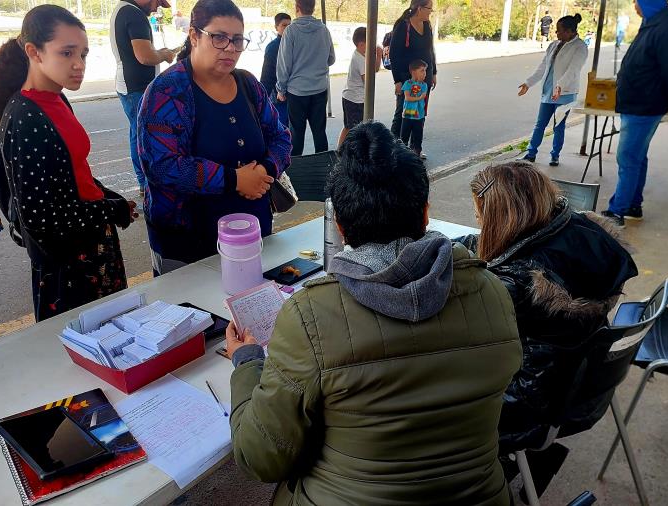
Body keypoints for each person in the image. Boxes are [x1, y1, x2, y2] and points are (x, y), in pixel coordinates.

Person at [226, 122, 521, 505]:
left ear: (342, 229)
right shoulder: (493, 292)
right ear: (426, 212)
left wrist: (247, 362)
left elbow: (260, 458)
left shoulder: (311, 315)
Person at [460, 161, 637, 454]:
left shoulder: (519, 284)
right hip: (570, 387)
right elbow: (496, 245)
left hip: (522, 408)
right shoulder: (578, 232)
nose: (478, 221)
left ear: (501, 219)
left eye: (481, 215)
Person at [0, 5, 136, 321]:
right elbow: (42, 219)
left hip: (94, 243)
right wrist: (109, 210)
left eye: (84, 55)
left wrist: (110, 198)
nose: (79, 65)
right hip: (71, 265)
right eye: (67, 54)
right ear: (34, 52)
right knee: (89, 352)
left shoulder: (56, 98)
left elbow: (75, 174)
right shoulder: (25, 117)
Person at [137, 0, 292, 276]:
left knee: (249, 309)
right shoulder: (166, 92)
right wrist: (234, 180)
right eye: (219, 37)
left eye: (237, 40)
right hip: (188, 242)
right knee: (198, 317)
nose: (230, 48)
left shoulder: (248, 84)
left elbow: (281, 137)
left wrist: (265, 171)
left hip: (253, 232)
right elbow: (162, 166)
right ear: (194, 36)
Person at [601, 0, 668, 227]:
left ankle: (616, 212)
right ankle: (632, 205)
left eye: (636, 1)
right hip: (637, 103)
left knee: (628, 158)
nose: (634, 5)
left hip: (644, 105)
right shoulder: (654, 23)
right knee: (637, 157)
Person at [110, 0, 176, 195]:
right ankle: (146, 183)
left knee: (137, 133)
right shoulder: (134, 14)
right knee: (143, 137)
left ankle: (144, 182)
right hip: (136, 89)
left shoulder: (123, 10)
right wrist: (164, 54)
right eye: (157, 2)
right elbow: (144, 56)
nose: (157, 8)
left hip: (130, 86)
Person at [518, 14, 588, 166]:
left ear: (570, 31)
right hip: (549, 91)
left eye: (559, 31)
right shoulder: (554, 45)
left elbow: (573, 70)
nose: (556, 34)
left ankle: (555, 155)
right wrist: (528, 83)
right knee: (540, 124)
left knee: (558, 126)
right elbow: (543, 67)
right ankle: (531, 153)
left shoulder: (580, 47)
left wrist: (560, 85)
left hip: (565, 93)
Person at [276, 0, 335, 156]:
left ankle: (296, 171)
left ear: (297, 8)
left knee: (296, 134)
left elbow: (284, 65)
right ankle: (324, 168)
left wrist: (280, 89)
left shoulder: (290, 31)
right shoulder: (324, 30)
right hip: (320, 90)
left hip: (297, 92)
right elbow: (331, 59)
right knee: (319, 132)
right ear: (314, 7)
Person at [389, 0, 436, 158]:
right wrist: (397, 80)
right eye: (429, 9)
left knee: (420, 113)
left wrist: (433, 72)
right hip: (406, 79)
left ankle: (415, 149)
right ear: (419, 8)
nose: (431, 12)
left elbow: (430, 51)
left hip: (424, 79)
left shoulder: (427, 25)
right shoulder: (403, 26)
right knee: (402, 113)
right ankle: (395, 149)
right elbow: (394, 54)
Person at [337, 27, 382, 149]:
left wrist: (378, 57)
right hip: (354, 99)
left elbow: (375, 69)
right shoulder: (360, 59)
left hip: (354, 97)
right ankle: (347, 151)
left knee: (350, 126)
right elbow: (367, 81)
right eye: (371, 42)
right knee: (354, 129)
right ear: (362, 44)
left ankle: (340, 149)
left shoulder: (363, 54)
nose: (374, 44)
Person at [260, 12, 291, 127]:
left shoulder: (293, 44)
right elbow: (267, 73)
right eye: (284, 25)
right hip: (278, 94)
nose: (287, 28)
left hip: (293, 94)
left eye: (289, 25)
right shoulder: (273, 47)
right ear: (276, 27)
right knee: (282, 127)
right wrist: (263, 95)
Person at [400, 60, 429, 156]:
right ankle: (402, 153)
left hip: (419, 116)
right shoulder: (407, 84)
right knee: (404, 135)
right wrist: (418, 97)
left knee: (418, 136)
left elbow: (423, 95)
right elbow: (407, 97)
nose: (425, 73)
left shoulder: (424, 85)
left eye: (425, 71)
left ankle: (417, 152)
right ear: (413, 72)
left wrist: (418, 97)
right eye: (422, 71)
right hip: (407, 115)